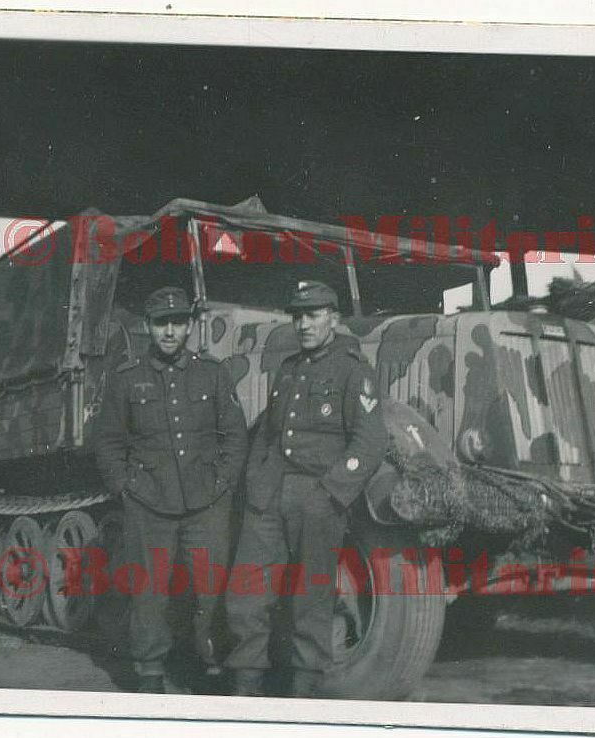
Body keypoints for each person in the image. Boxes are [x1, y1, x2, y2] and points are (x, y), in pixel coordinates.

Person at [225, 280, 389, 698]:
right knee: (246, 595)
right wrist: (257, 478)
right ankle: (246, 689)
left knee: (311, 599)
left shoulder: (354, 371)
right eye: (298, 316)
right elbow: (268, 431)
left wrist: (332, 491)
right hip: (270, 496)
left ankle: (303, 695)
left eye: (313, 315)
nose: (303, 324)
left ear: (333, 319)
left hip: (318, 498)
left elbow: (370, 442)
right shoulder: (289, 369)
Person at [93, 286, 248, 694]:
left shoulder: (212, 373)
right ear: (148, 327)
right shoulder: (127, 379)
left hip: (206, 502)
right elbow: (108, 441)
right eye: (162, 323)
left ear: (189, 326)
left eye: (178, 322)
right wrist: (125, 488)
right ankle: (150, 671)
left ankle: (212, 664)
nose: (170, 331)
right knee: (150, 590)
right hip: (149, 501)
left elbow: (234, 435)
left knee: (211, 586)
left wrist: (224, 483)